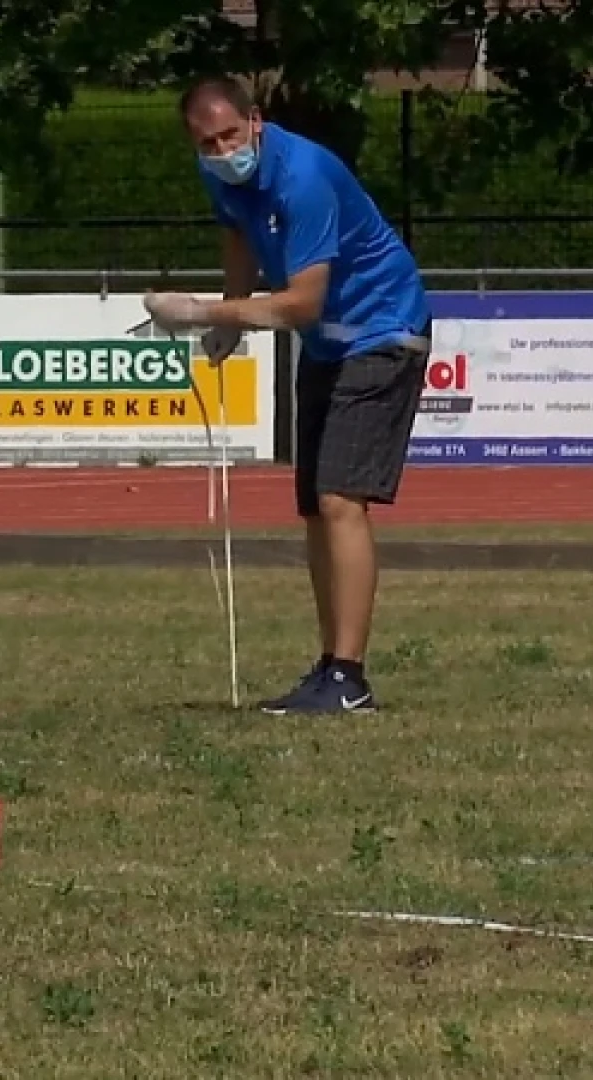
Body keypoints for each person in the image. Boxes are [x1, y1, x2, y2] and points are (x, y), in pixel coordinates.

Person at [143, 76, 432, 715]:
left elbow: (303, 300)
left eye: (229, 134)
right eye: (207, 143)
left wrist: (207, 311)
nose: (222, 150)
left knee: (340, 499)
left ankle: (350, 677)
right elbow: (238, 233)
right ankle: (329, 664)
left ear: (255, 120)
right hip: (328, 345)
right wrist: (229, 318)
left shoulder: (302, 177)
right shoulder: (222, 176)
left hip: (383, 328)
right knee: (312, 507)